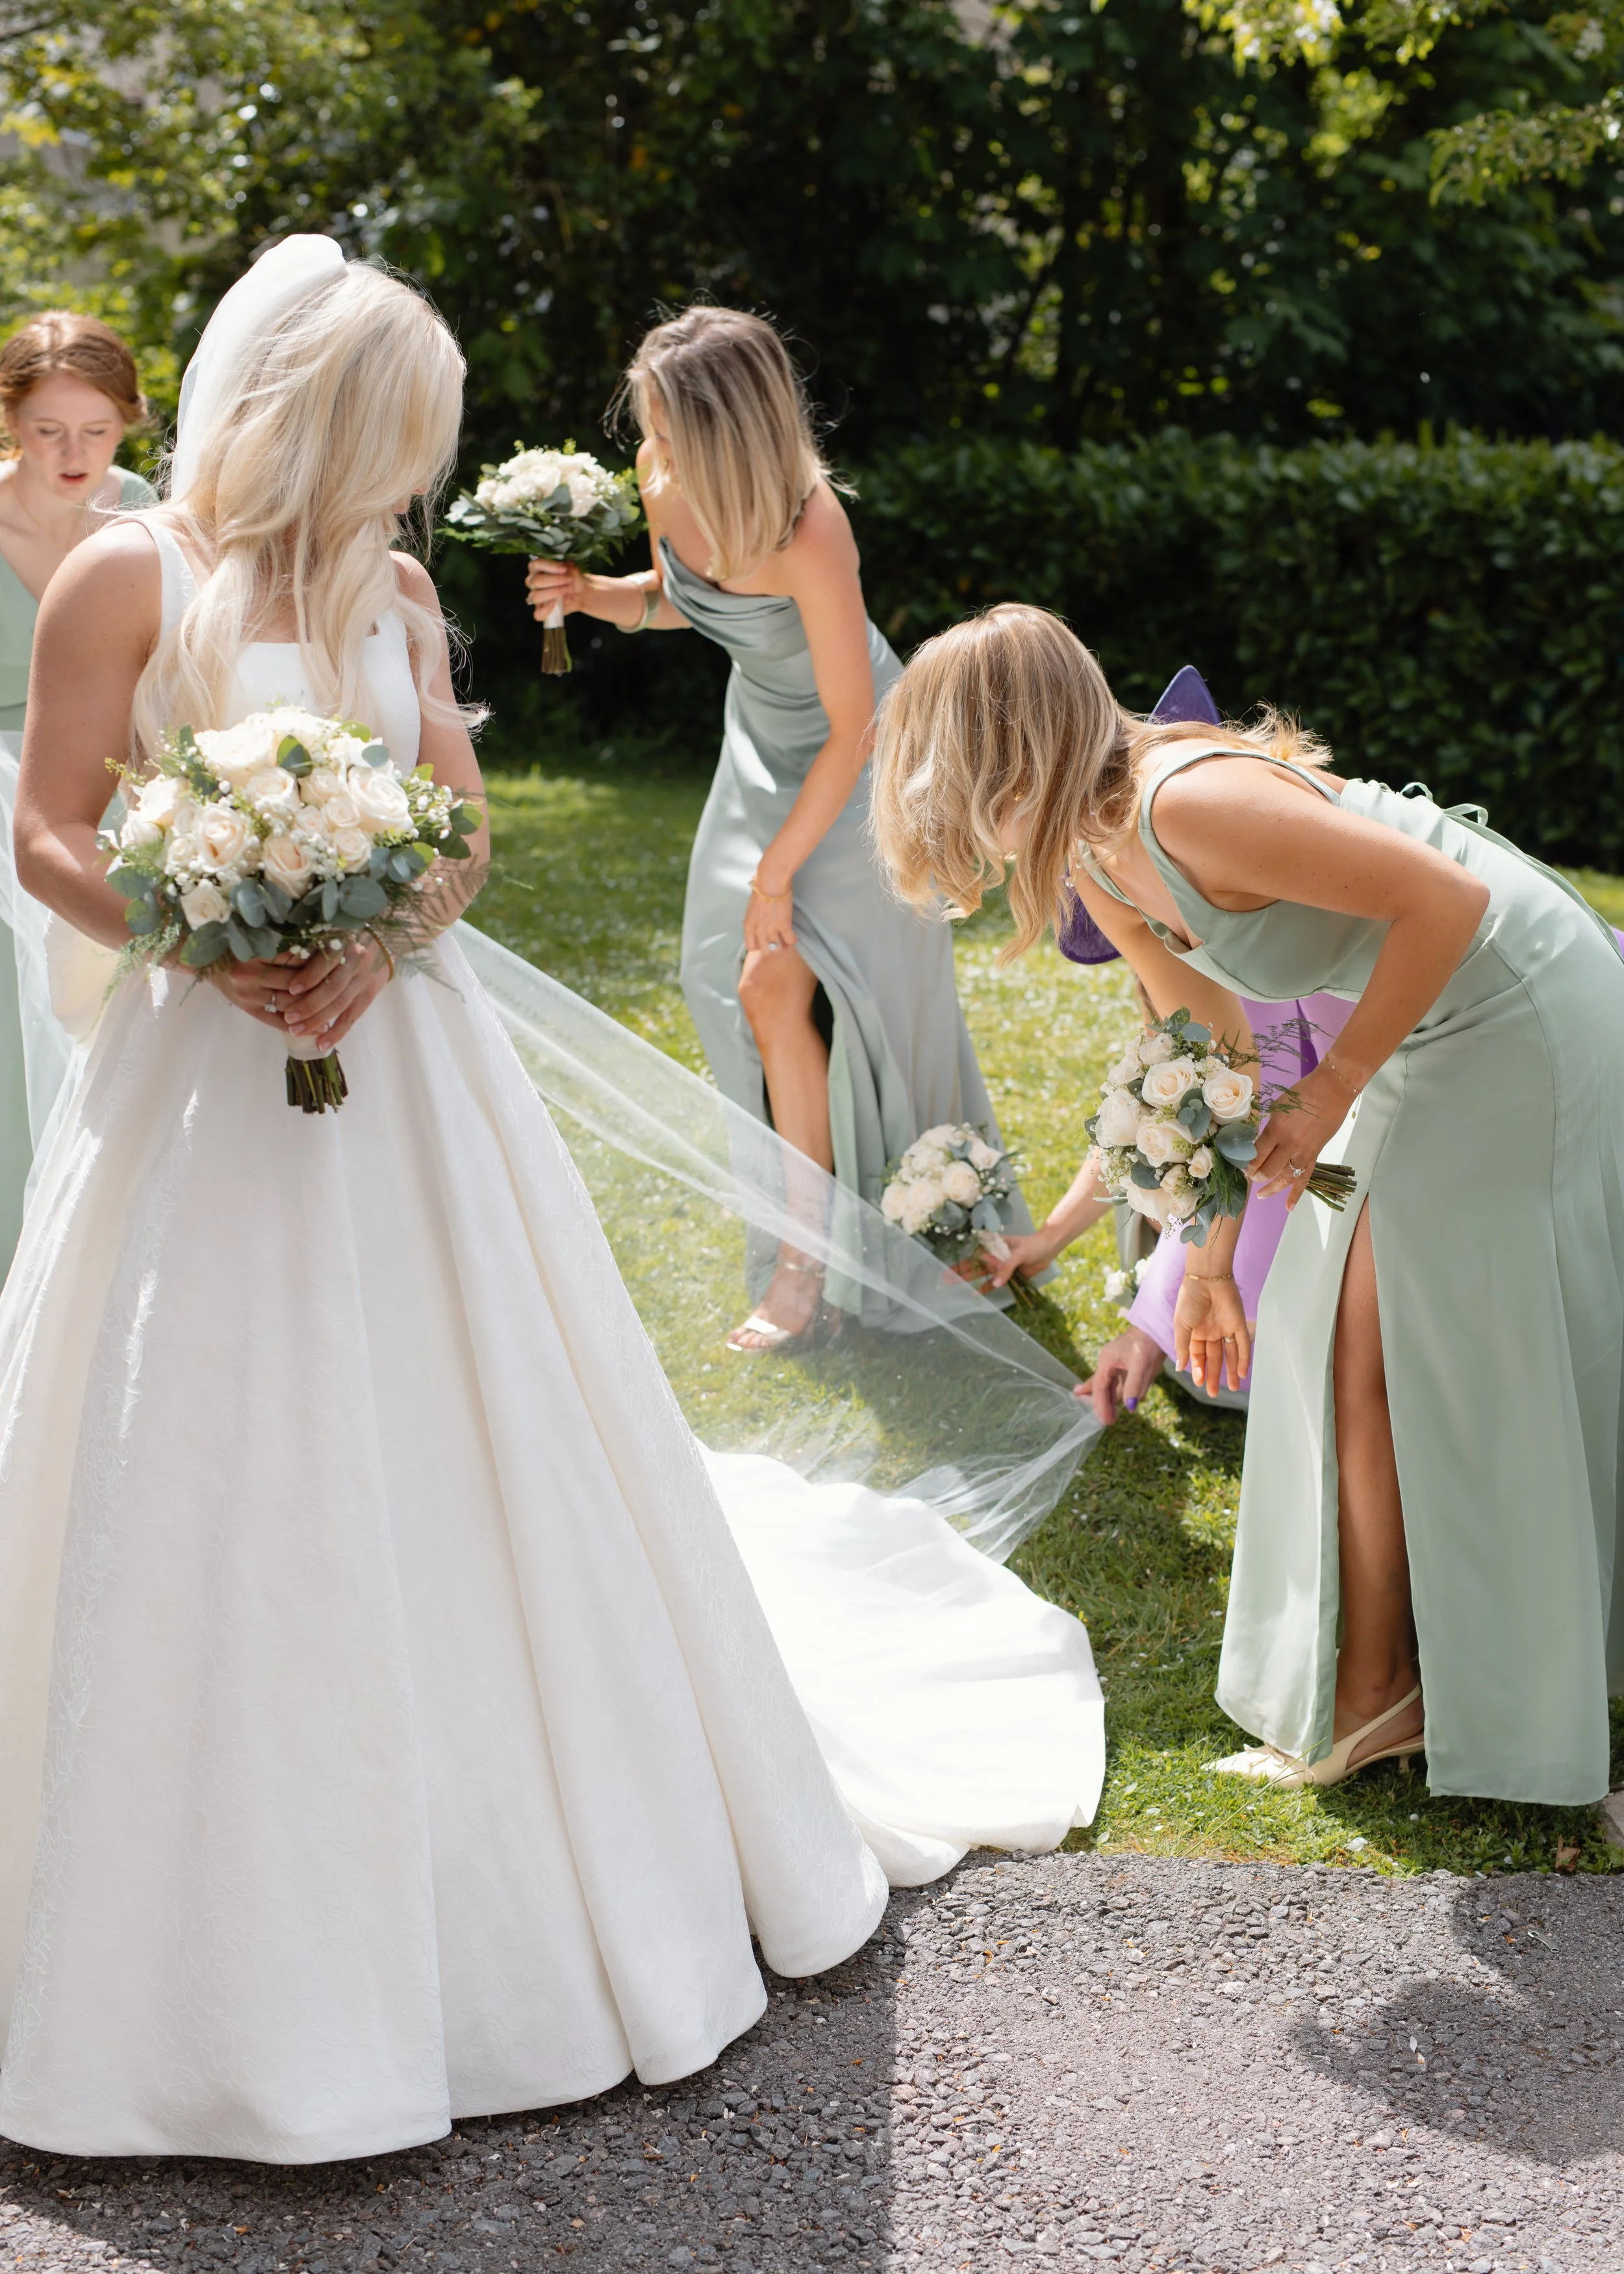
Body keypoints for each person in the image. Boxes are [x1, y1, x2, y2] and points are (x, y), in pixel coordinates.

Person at [0, 245, 1100, 2164]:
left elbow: (463, 832)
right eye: (391, 441)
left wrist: (377, 919)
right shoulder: (126, 572)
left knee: (472, 1430)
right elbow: (48, 819)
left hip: (404, 1073)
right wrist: (204, 924)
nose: (406, 486)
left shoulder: (397, 586)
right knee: (193, 1448)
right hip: (195, 1077)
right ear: (308, 413)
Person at [871, 601, 1624, 1806]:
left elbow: (1453, 904)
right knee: (1335, 1349)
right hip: (1417, 1036)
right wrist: (1210, 1263)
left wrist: (1329, 1093)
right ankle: (1387, 1689)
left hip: (1513, 1016)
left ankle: (1415, 1691)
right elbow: (1214, 1041)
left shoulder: (1187, 802)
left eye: (954, 782)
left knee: (1384, 1356)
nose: (951, 819)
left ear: (1012, 750)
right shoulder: (1093, 852)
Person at [526, 307, 1033, 1349]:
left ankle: (835, 1260)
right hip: (758, 748)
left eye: (664, 424)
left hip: (861, 763)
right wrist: (590, 597)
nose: (646, 444)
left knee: (839, 993)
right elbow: (680, 603)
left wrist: (780, 873)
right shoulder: (663, 484)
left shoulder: (812, 526)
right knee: (735, 982)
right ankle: (814, 1232)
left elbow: (854, 729)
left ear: (726, 428)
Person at [989, 991, 1353, 1420]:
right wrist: (1050, 1238)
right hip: (1242, 1179)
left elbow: (1230, 1125)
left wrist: (1185, 1292)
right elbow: (1140, 1123)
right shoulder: (1173, 971)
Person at [0, 311, 155, 1273]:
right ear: (11, 421)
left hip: (121, 774)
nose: (75, 455)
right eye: (51, 430)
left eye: (96, 432)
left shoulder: (142, 509)